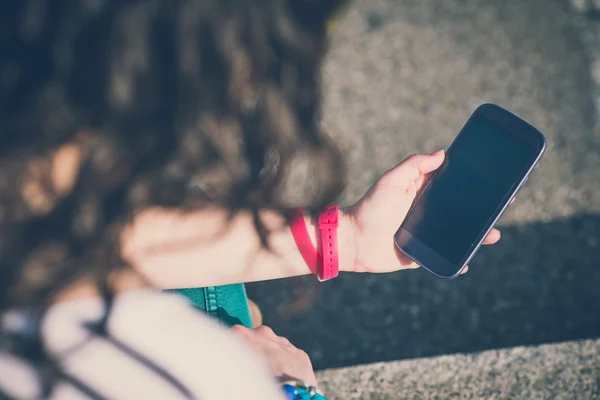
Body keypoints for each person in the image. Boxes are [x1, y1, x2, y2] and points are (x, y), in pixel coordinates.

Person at [0, 1, 502, 399]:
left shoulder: (28, 187)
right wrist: (293, 389)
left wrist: (346, 239)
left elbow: (75, 239)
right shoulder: (185, 377)